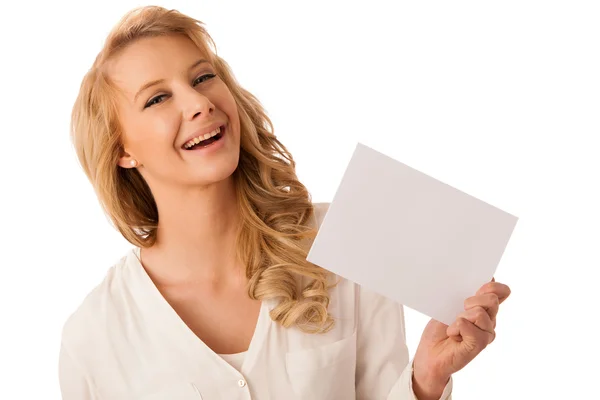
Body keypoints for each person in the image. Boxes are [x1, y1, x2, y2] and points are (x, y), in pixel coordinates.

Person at [59, 6, 511, 400]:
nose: (199, 102)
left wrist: (426, 380)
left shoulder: (348, 243)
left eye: (203, 77)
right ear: (122, 150)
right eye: (158, 98)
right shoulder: (94, 338)